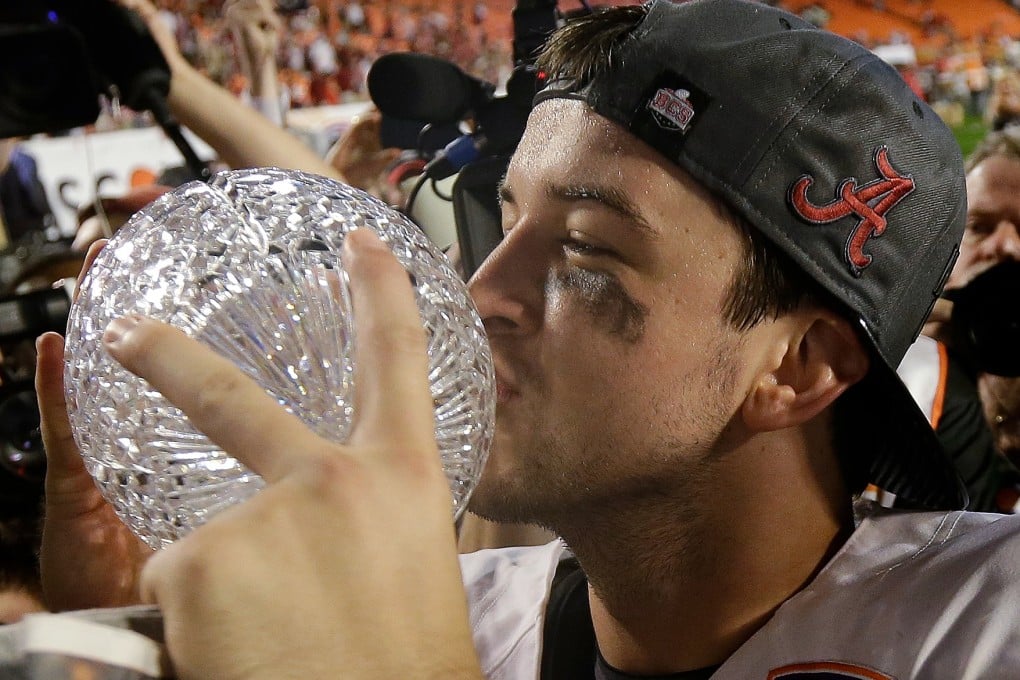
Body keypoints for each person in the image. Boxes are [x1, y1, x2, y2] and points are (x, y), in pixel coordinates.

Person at [33, 1, 1020, 678]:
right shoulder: (460, 602)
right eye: (504, 222)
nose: (483, 291)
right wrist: (122, 631)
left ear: (796, 367)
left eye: (586, 251)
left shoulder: (985, 628)